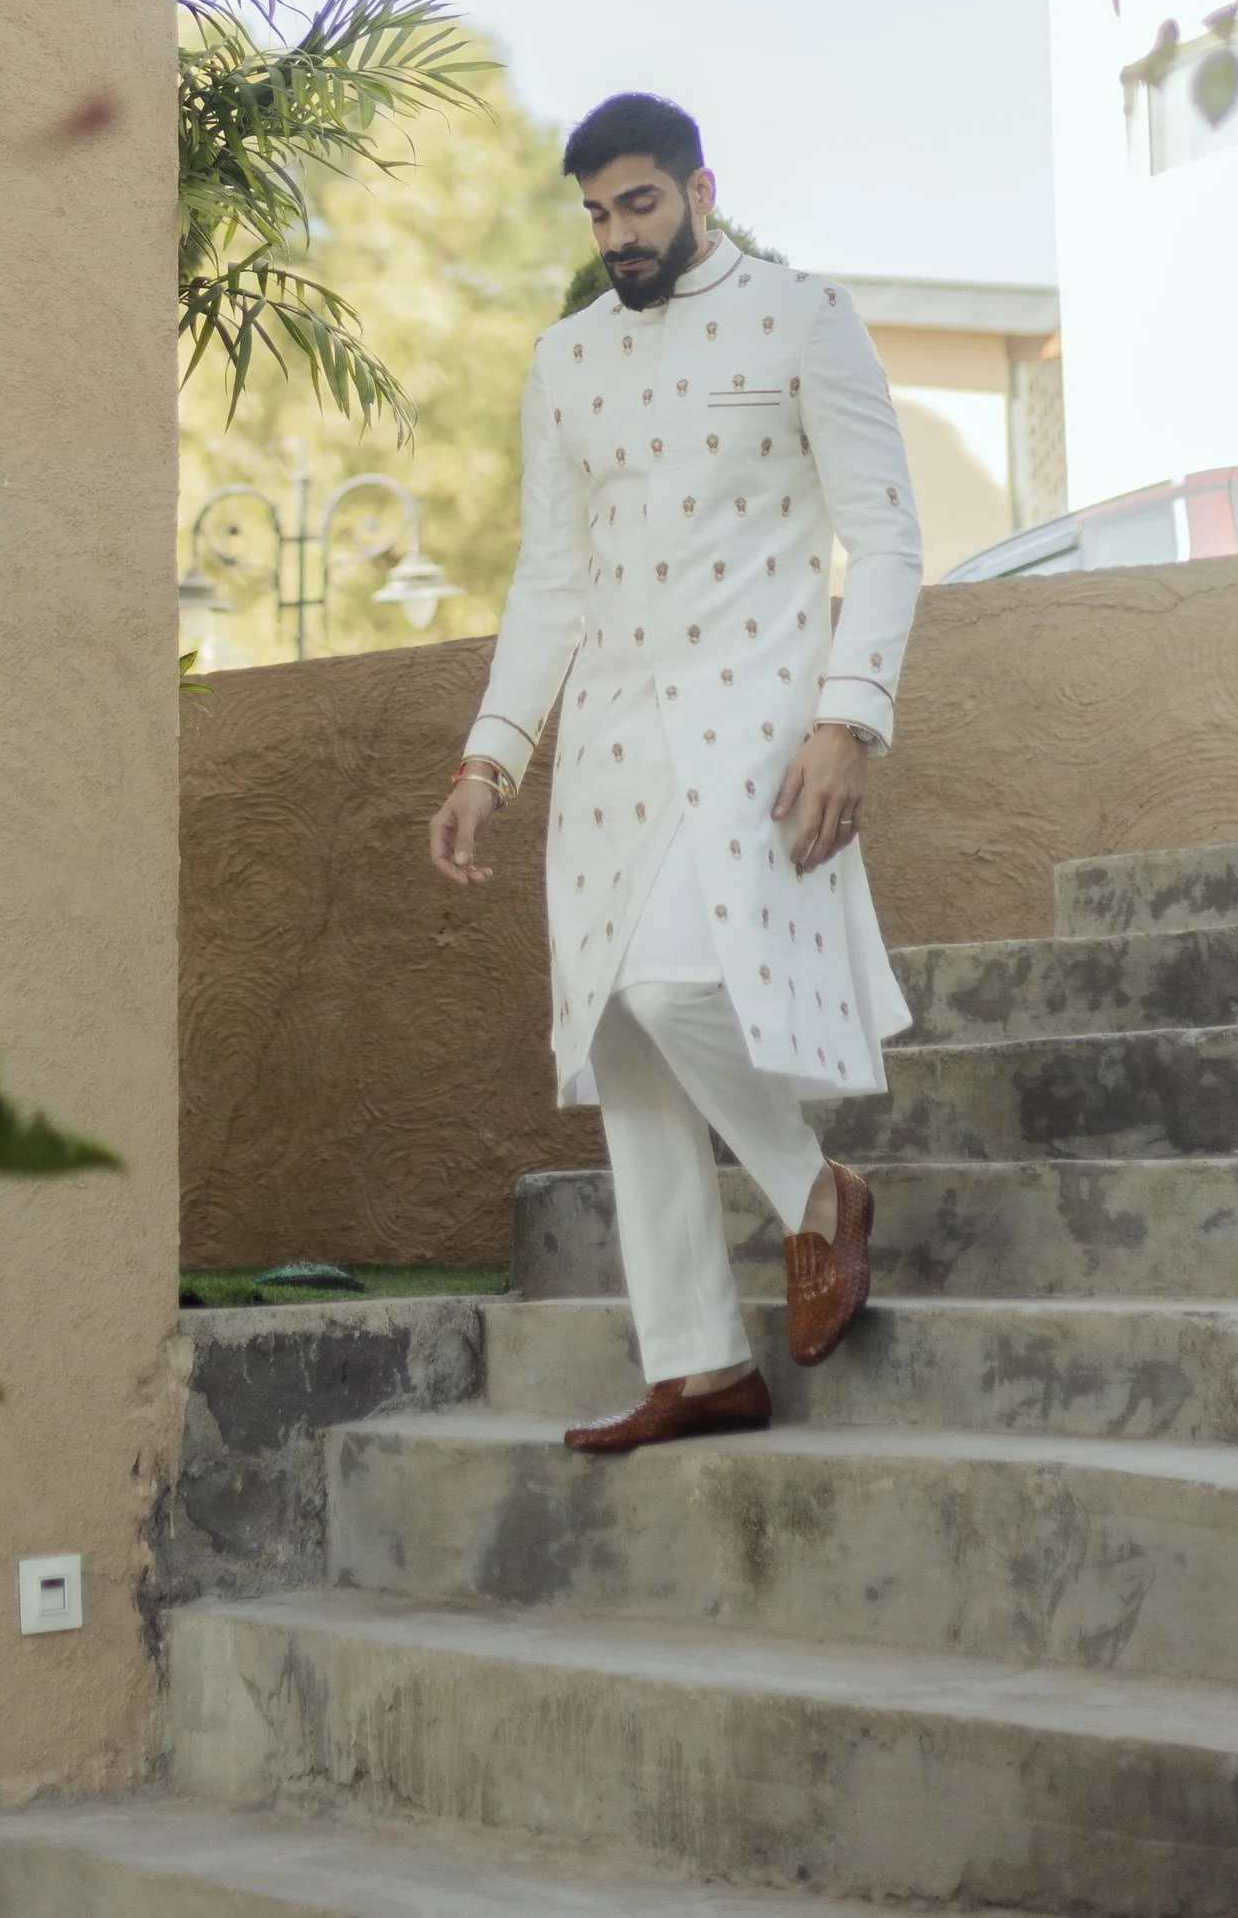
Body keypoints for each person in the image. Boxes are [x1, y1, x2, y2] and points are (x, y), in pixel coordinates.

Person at [429, 91, 923, 1454]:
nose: (617, 234)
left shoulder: (803, 316)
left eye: (638, 204)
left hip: (757, 719)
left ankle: (817, 1192)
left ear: (701, 189)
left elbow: (884, 539)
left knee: (667, 977)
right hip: (607, 738)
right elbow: (551, 582)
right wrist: (491, 754)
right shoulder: (563, 360)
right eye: (596, 212)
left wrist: (850, 717)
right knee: (622, 1032)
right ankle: (700, 1362)